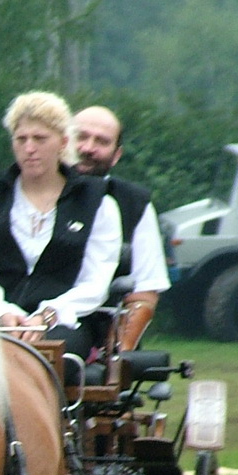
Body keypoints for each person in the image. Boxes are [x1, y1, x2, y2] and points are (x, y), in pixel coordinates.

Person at [0, 91, 121, 362]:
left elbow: (94, 284)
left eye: (39, 139)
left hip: (66, 324)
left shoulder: (97, 203)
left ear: (63, 142)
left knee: (41, 357)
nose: (29, 148)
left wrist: (48, 315)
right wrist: (3, 313)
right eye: (21, 139)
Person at [71, 106, 171, 352]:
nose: (88, 148)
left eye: (101, 141)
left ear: (116, 155)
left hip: (99, 337)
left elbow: (145, 291)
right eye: (80, 137)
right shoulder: (28, 196)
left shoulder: (135, 204)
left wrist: (117, 355)